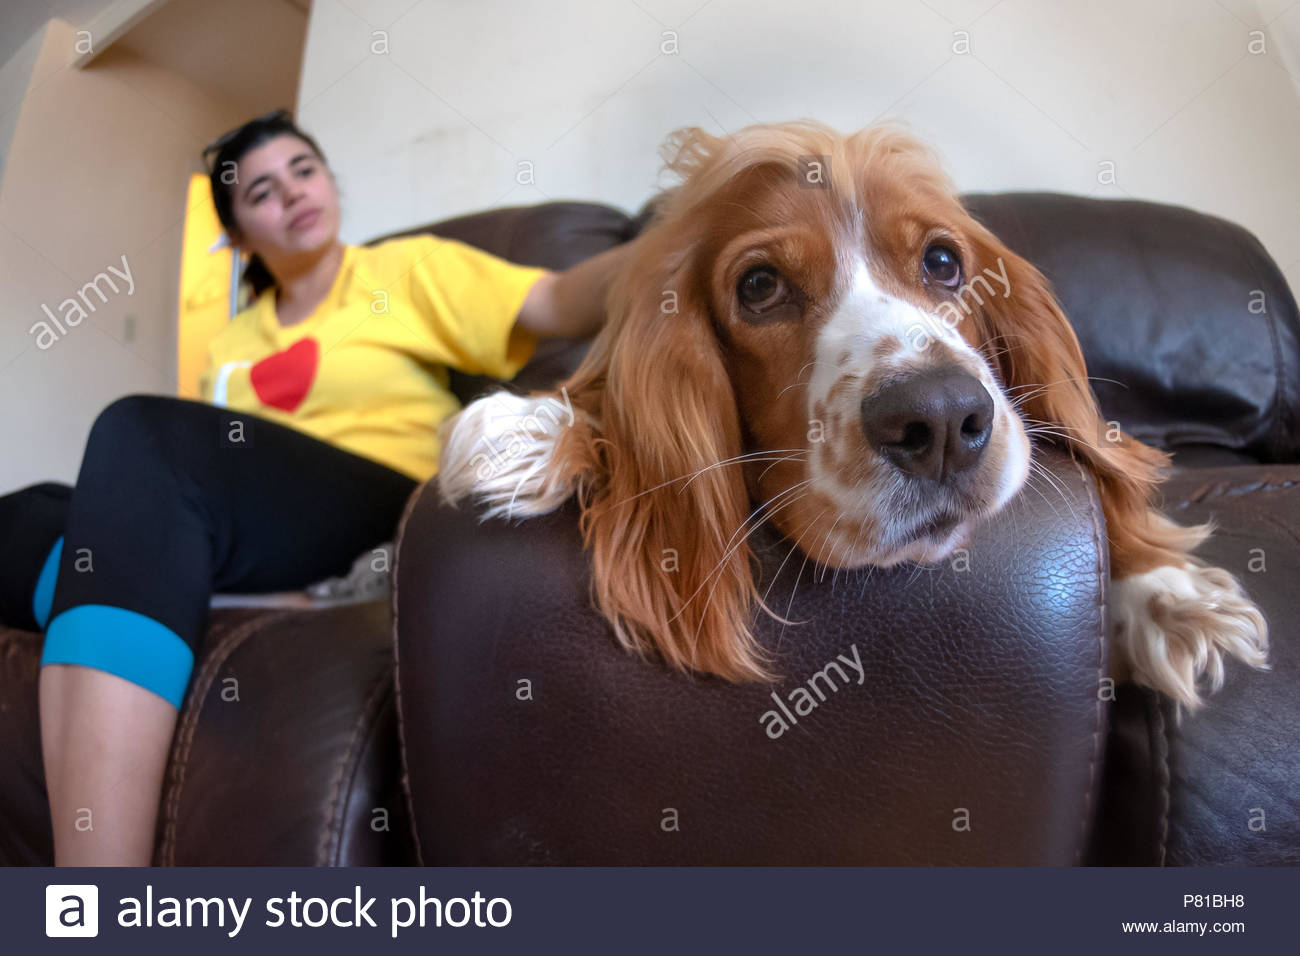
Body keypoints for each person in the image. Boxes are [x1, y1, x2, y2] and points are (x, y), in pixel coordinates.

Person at [0, 109, 627, 866]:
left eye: (303, 169)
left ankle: (100, 902)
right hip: (270, 531)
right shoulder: (233, 345)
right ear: (238, 233)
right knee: (22, 517)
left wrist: (678, 245)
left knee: (141, 436)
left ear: (329, 180)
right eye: (261, 190)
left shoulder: (401, 272)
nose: (292, 193)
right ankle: (188, 590)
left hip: (380, 507)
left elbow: (560, 301)